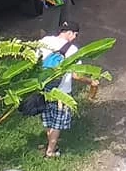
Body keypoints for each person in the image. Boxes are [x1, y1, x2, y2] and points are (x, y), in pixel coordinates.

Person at [37, 21, 98, 158]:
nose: (75, 37)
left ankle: (51, 144)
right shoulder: (72, 50)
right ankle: (51, 151)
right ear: (69, 33)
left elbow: (34, 61)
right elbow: (76, 75)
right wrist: (91, 81)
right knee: (57, 122)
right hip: (62, 91)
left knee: (47, 118)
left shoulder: (45, 41)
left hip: (43, 87)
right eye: (75, 34)